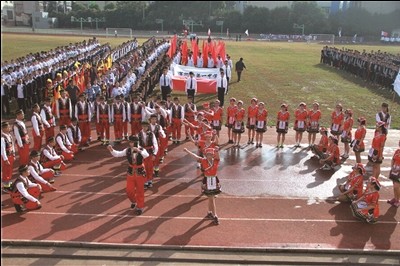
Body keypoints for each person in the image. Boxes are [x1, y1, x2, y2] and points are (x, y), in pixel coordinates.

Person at [108, 136, 149, 215]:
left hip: (139, 172)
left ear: (136, 142)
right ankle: (134, 201)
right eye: (130, 142)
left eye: (132, 142)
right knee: (129, 190)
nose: (130, 143)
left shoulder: (141, 149)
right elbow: (118, 154)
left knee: (140, 191)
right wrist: (112, 150)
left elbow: (146, 155)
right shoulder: (127, 150)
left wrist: (139, 151)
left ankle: (140, 207)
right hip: (131, 172)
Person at [184, 146, 221, 225]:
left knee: (210, 198)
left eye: (211, 154)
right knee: (211, 198)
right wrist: (187, 151)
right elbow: (195, 156)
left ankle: (209, 212)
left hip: (214, 180)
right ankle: (215, 215)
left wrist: (217, 150)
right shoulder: (203, 161)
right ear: (206, 155)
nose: (209, 156)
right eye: (208, 154)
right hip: (207, 180)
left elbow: (218, 156)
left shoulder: (216, 161)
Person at [1, 121, 15, 190]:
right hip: (6, 156)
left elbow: (12, 146)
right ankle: (5, 186)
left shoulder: (9, 135)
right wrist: (5, 159)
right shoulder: (2, 138)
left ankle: (8, 182)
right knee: (6, 170)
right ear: (4, 128)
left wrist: (14, 154)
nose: (9, 128)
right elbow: (2, 150)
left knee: (10, 170)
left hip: (11, 155)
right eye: (8, 127)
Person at [387, 140, 400, 207]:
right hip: (394, 170)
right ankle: (395, 198)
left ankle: (398, 200)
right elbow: (393, 159)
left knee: (396, 186)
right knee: (394, 185)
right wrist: (392, 167)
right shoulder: (397, 151)